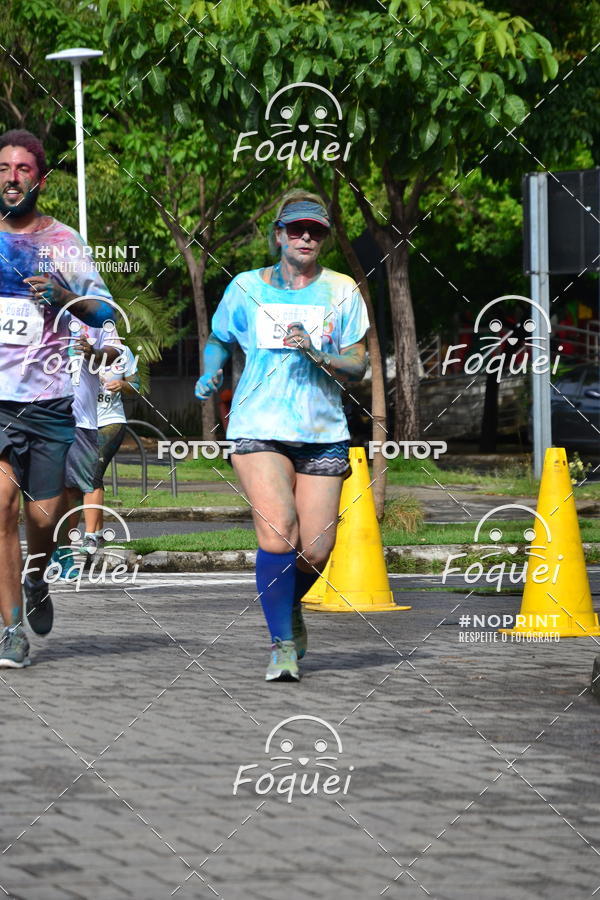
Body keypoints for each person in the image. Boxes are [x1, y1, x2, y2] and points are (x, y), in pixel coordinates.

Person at [195, 190, 369, 682]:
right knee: (278, 531)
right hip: (258, 426)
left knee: (315, 549)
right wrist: (211, 374)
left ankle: (286, 605)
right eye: (296, 229)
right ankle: (281, 644)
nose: (306, 237)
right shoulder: (247, 287)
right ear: (278, 236)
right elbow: (218, 340)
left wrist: (322, 354)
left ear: (325, 239)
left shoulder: (342, 290)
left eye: (315, 230)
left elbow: (359, 362)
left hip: (321, 429)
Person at [0, 129, 114, 668]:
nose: (12, 177)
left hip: (47, 400)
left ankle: (37, 578)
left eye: (23, 169)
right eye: (4, 167)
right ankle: (11, 628)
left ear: (39, 179)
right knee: (1, 508)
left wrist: (68, 298)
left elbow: (104, 312)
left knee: (42, 518)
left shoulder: (62, 242)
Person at [50, 323, 121, 580]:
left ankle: (63, 553)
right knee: (43, 492)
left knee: (74, 491)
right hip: (43, 417)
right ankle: (49, 552)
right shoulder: (45, 311)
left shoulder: (99, 318)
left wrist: (93, 353)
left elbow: (115, 352)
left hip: (83, 422)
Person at [81, 343, 140, 551]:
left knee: (92, 475)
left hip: (111, 421)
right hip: (82, 423)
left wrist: (122, 385)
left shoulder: (123, 351)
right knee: (88, 478)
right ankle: (97, 533)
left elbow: (136, 386)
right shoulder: (79, 348)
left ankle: (89, 536)